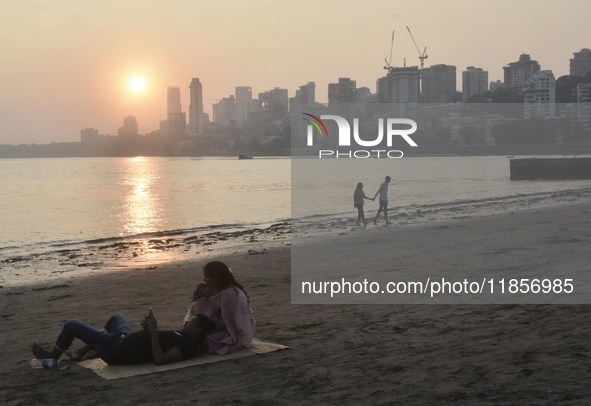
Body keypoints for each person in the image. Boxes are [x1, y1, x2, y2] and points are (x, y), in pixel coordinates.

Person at [31, 311, 216, 365]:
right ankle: (81, 351)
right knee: (117, 318)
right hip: (122, 340)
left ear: (198, 330)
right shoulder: (181, 335)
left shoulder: (189, 346)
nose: (186, 323)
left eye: (191, 322)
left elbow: (159, 359)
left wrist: (152, 332)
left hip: (117, 351)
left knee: (71, 324)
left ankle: (53, 356)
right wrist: (147, 330)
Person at [184, 261, 255, 355]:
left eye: (207, 277)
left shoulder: (231, 293)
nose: (204, 279)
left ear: (216, 279)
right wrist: (198, 292)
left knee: (206, 341)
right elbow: (198, 300)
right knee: (200, 303)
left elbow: (230, 322)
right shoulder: (220, 288)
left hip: (233, 331)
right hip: (224, 326)